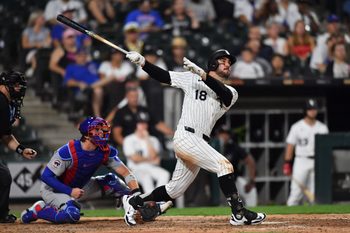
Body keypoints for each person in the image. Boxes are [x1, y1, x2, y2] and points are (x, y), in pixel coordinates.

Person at [122, 49, 266, 226]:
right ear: (213, 63)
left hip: (200, 142)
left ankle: (133, 202)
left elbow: (224, 94)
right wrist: (143, 62)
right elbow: (163, 76)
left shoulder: (231, 92)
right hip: (186, 136)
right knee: (224, 166)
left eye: (229, 62)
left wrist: (202, 74)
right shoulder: (191, 78)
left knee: (174, 190)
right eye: (223, 60)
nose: (228, 64)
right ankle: (239, 213)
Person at [20, 116, 172, 224]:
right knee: (72, 215)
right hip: (54, 190)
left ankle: (147, 206)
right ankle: (39, 209)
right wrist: (69, 192)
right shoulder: (68, 151)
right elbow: (46, 176)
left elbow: (125, 172)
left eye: (102, 130)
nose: (102, 133)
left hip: (81, 187)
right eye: (97, 130)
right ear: (86, 134)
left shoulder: (104, 150)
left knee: (113, 181)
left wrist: (136, 194)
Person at [0, 71, 37, 223]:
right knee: (3, 176)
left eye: (19, 85)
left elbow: (6, 136)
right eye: (14, 85)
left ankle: (1, 215)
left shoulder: (8, 104)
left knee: (3, 177)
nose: (18, 88)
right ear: (3, 86)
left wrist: (21, 149)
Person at [283, 99, 329, 206]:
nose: (312, 111)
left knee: (314, 194)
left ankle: (314, 221)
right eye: (310, 109)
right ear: (305, 110)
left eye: (314, 109)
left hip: (317, 162)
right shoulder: (297, 127)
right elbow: (290, 146)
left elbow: (327, 148)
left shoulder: (322, 128)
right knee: (296, 193)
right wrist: (287, 163)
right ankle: (288, 217)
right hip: (301, 160)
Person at [123, 114, 170, 193]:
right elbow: (135, 159)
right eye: (140, 123)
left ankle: (158, 200)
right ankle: (151, 201)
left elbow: (154, 156)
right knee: (146, 177)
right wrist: (150, 160)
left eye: (145, 123)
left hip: (151, 167)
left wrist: (147, 139)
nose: (143, 125)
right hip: (135, 169)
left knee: (165, 174)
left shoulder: (153, 139)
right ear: (136, 124)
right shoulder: (129, 139)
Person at [214, 126, 258, 207]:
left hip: (233, 179)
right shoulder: (212, 147)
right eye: (221, 134)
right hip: (215, 182)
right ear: (217, 135)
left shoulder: (233, 147)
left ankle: (252, 213)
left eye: (226, 134)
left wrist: (251, 181)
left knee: (251, 191)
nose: (224, 136)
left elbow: (250, 161)